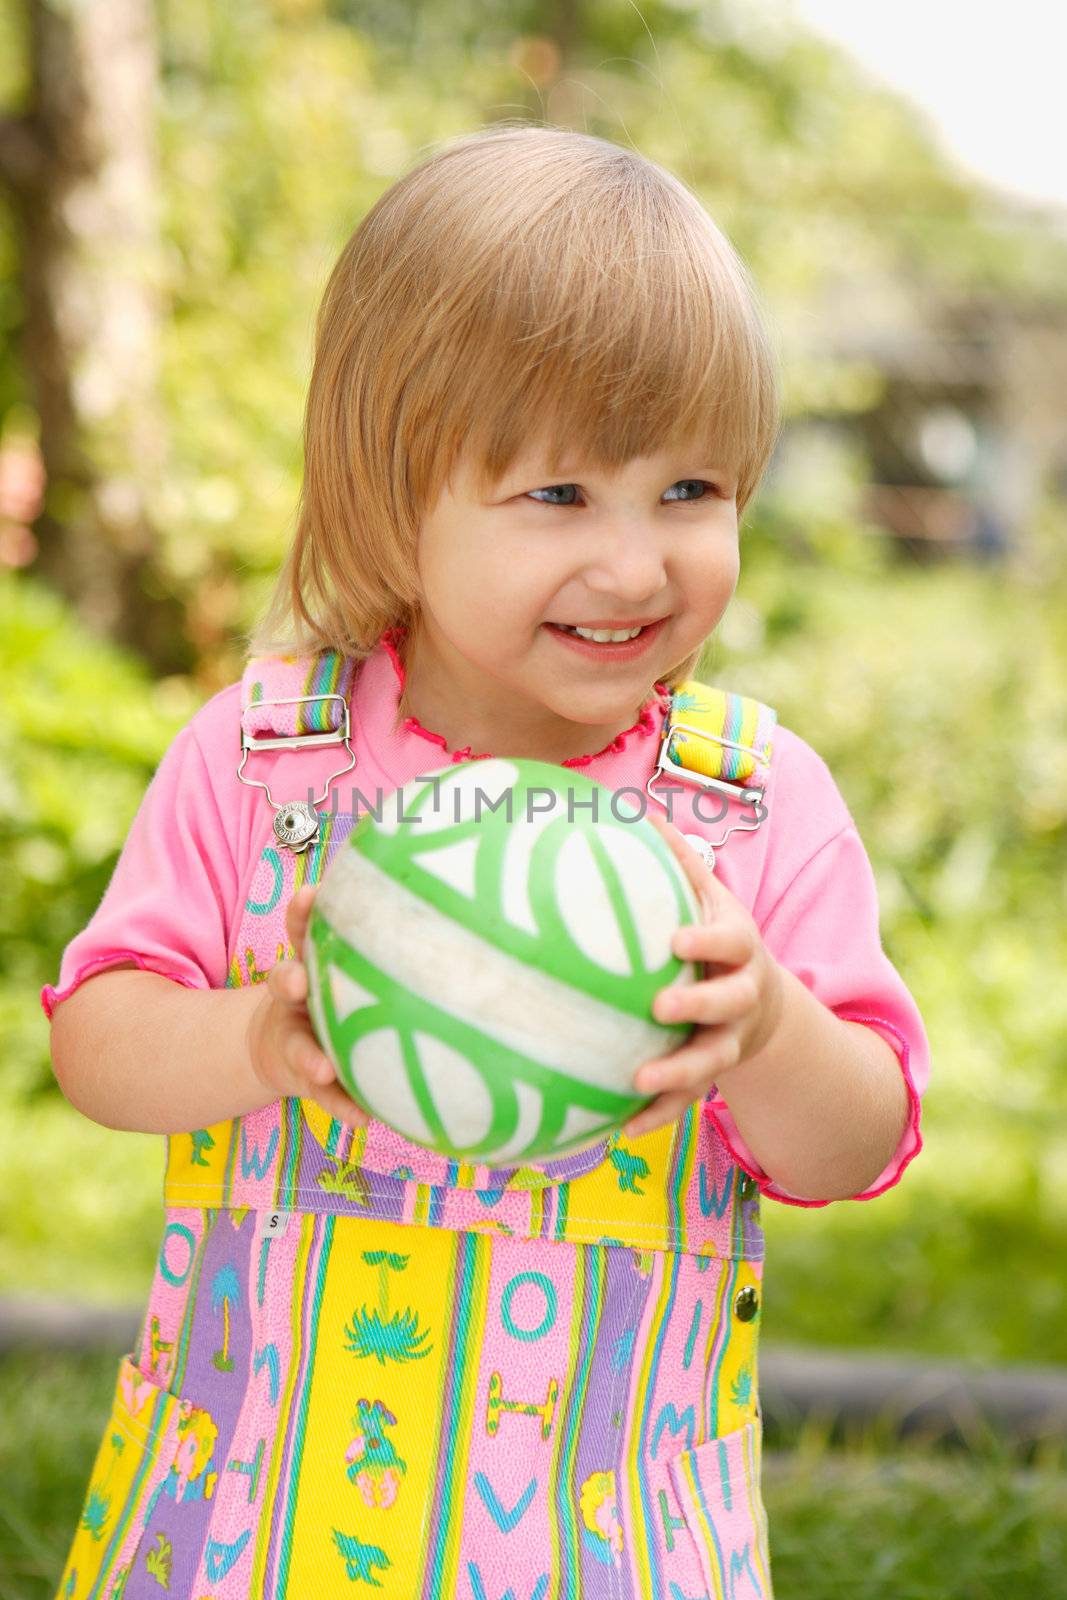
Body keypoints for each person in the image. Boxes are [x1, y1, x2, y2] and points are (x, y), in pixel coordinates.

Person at [44, 124, 929, 1600]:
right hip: (258, 1522)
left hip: (611, 1539)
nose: (638, 565)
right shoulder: (264, 764)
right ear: (394, 500)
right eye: (559, 497)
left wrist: (768, 1028)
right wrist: (256, 1032)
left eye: (692, 491)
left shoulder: (748, 806)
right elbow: (97, 1042)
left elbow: (858, 1139)